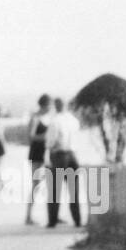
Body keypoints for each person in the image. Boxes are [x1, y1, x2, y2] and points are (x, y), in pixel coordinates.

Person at [46, 97, 82, 227]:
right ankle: (77, 220)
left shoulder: (55, 121)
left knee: (54, 190)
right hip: (73, 155)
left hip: (59, 155)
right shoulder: (74, 120)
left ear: (56, 106)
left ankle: (52, 220)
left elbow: (51, 141)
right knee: (74, 191)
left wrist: (48, 154)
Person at [25, 94, 53, 225]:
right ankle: (28, 216)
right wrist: (46, 136)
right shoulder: (35, 117)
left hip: (46, 153)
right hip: (36, 153)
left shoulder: (48, 117)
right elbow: (31, 137)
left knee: (52, 184)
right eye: (49, 105)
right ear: (44, 105)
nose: (51, 108)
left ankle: (53, 214)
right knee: (36, 184)